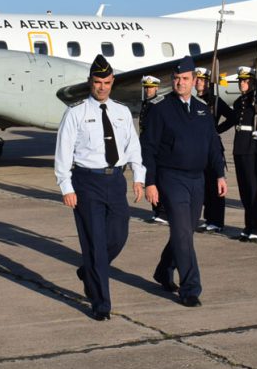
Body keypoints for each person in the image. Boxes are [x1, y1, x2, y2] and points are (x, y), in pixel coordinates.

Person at [54, 54, 145, 321]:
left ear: (112, 81)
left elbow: (133, 147)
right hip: (87, 183)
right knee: (94, 243)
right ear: (90, 82)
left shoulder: (122, 111)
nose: (102, 87)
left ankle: (89, 271)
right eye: (97, 82)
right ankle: (101, 303)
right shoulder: (76, 112)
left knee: (118, 236)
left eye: (106, 82)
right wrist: (66, 187)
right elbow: (63, 152)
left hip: (115, 180)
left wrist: (138, 177)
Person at [141, 56, 227, 306]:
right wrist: (150, 182)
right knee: (181, 232)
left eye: (185, 79)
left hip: (197, 179)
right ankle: (190, 288)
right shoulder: (160, 108)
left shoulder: (202, 109)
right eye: (176, 79)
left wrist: (219, 174)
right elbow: (148, 148)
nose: (180, 83)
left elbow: (213, 145)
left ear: (194, 80)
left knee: (185, 232)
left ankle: (163, 270)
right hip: (171, 177)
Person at [217, 66, 257, 241]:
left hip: (253, 148)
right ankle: (248, 226)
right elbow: (233, 121)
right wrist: (215, 130)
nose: (242, 83)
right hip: (240, 149)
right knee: (244, 189)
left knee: (253, 189)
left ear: (253, 82)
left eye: (246, 80)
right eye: (241, 80)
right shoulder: (238, 102)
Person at [194, 66, 233, 233]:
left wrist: (217, 130)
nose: (199, 83)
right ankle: (209, 218)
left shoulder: (214, 100)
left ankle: (217, 221)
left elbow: (232, 117)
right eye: (197, 79)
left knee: (215, 183)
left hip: (212, 147)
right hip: (197, 147)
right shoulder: (194, 101)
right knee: (203, 185)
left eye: (202, 80)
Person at [138, 75, 167, 225]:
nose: (148, 90)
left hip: (155, 144)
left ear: (156, 88)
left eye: (151, 87)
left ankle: (162, 211)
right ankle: (157, 211)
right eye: (146, 87)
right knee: (150, 176)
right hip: (145, 142)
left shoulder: (158, 103)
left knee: (157, 179)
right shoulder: (146, 103)